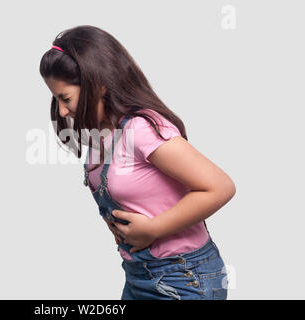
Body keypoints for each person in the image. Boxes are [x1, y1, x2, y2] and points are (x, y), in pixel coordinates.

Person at [39, 25, 235, 300]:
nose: (61, 110)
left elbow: (220, 187)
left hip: (182, 279)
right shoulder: (101, 135)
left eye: (65, 98)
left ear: (100, 86)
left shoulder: (142, 130)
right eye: (56, 98)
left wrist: (153, 229)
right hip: (139, 276)